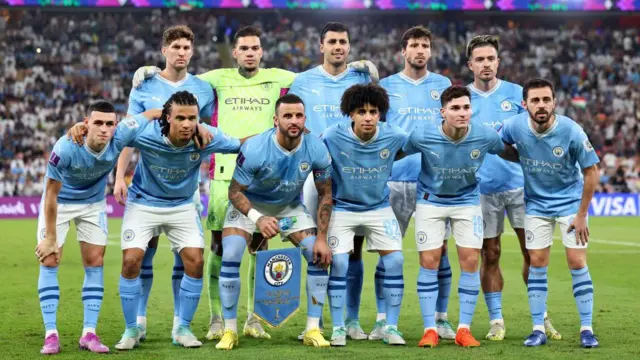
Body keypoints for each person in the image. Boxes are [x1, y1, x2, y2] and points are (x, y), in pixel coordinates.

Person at [131, 25, 378, 340]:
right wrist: (152, 71)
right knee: (220, 248)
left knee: (259, 248)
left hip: (267, 174)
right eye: (243, 48)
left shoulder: (282, 77)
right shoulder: (215, 79)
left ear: (262, 52)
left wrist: (359, 68)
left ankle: (254, 317)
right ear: (234, 52)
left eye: (255, 48)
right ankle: (218, 318)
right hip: (226, 174)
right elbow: (179, 81)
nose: (250, 53)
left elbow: (321, 75)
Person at [111, 91, 241, 350]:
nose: (186, 124)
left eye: (192, 118)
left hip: (182, 206)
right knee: (131, 261)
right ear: (167, 118)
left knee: (195, 260)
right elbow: (118, 135)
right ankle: (131, 330)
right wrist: (149, 114)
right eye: (180, 118)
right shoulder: (147, 134)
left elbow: (241, 144)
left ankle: (182, 328)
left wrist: (279, 136)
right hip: (144, 203)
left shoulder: (205, 138)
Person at [34, 101, 160, 355]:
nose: (104, 129)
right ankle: (51, 335)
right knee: (49, 260)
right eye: (98, 123)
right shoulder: (66, 147)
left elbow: (151, 113)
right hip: (60, 203)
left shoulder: (122, 134)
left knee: (95, 262)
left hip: (92, 204)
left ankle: (88, 333)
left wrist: (179, 115)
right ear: (86, 123)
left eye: (109, 123)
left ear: (116, 125)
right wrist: (49, 238)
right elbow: (50, 195)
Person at [116, 24, 215, 341]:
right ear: (164, 51)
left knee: (186, 258)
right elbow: (129, 134)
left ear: (192, 51)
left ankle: (179, 324)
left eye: (187, 48)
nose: (182, 53)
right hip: (147, 186)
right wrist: (120, 176)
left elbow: (208, 132)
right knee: (142, 255)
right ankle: (139, 321)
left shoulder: (203, 88)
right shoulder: (143, 85)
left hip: (186, 190)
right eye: (176, 48)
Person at [402, 85, 518, 348]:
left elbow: (508, 152)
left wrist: (537, 155)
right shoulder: (423, 134)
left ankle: (463, 329)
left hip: (467, 202)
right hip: (430, 202)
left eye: (466, 107)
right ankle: (429, 329)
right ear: (442, 112)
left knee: (469, 261)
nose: (462, 113)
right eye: (455, 108)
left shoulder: (485, 135)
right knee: (429, 261)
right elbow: (397, 151)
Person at [215, 94, 333, 350]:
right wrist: (258, 218)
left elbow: (325, 193)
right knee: (231, 254)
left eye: (299, 116)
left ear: (305, 119)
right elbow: (234, 192)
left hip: (289, 208)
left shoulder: (316, 147)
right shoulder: (256, 147)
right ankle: (230, 330)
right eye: (287, 116)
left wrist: (322, 238)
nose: (294, 120)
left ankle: (313, 329)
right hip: (251, 207)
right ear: (275, 120)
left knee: (317, 255)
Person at [465, 35, 562, 341]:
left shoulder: (516, 95)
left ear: (498, 62)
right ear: (470, 64)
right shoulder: (461, 97)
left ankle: (541, 317)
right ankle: (496, 320)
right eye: (479, 59)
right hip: (482, 188)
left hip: (521, 186)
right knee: (490, 254)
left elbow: (535, 136)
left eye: (490, 58)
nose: (486, 64)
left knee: (533, 253)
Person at [500, 79, 600, 348]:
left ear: (554, 102)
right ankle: (537, 329)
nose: (541, 105)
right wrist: (517, 157)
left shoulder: (571, 130)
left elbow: (591, 172)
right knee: (537, 264)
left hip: (570, 205)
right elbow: (498, 143)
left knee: (577, 263)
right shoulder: (514, 126)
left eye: (546, 100)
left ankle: (587, 329)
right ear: (525, 104)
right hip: (536, 206)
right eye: (535, 100)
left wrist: (581, 214)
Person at [289, 22, 372, 340]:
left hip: (353, 174)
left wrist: (374, 76)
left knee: (354, 251)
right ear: (321, 46)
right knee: (315, 250)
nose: (339, 46)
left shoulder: (362, 78)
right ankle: (316, 322)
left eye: (344, 42)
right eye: (333, 41)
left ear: (350, 47)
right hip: (312, 174)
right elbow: (294, 121)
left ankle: (351, 320)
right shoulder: (303, 80)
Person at [379, 26, 455, 340]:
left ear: (430, 51)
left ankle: (441, 318)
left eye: (425, 45)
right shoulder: (386, 86)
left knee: (440, 252)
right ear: (403, 51)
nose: (420, 50)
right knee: (388, 252)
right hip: (395, 180)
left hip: (433, 183)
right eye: (414, 45)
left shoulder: (444, 84)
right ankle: (383, 319)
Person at [323, 83, 407, 346]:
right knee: (338, 264)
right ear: (351, 114)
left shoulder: (395, 136)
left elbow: (418, 145)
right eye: (362, 111)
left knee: (395, 262)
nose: (368, 117)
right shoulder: (332, 136)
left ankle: (390, 326)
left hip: (378, 208)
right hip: (343, 208)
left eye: (374, 111)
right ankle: (340, 327)